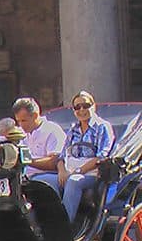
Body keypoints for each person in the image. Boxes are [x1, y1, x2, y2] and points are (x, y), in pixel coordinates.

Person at [35, 91, 114, 222]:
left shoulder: (102, 127)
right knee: (42, 180)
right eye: (77, 107)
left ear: (94, 106)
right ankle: (46, 221)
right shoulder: (73, 129)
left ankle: (65, 224)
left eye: (86, 105)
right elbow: (62, 156)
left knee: (73, 181)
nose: (81, 110)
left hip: (92, 174)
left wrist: (79, 171)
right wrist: (62, 171)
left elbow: (101, 156)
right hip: (70, 170)